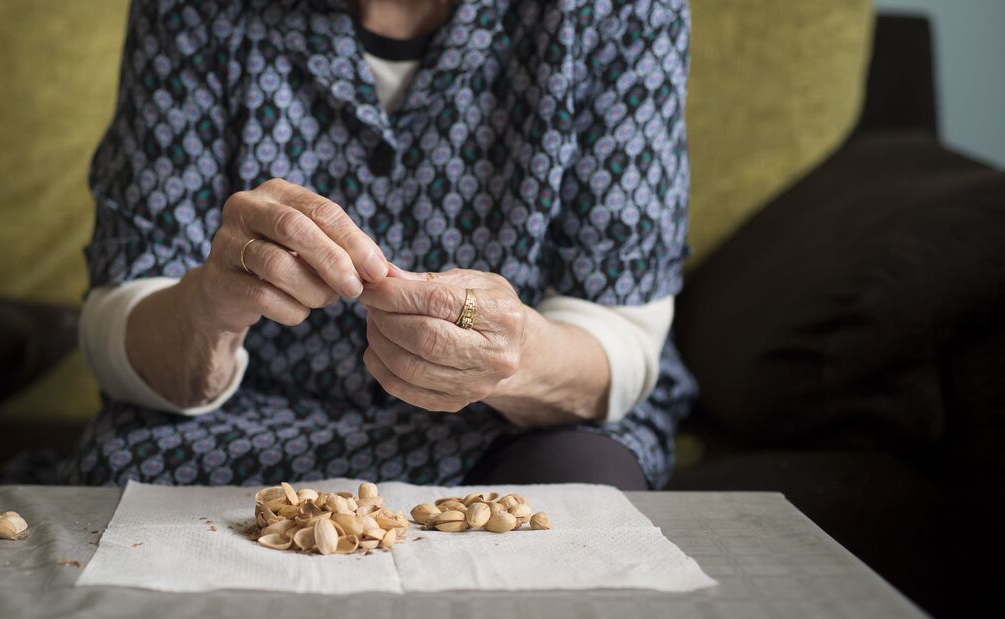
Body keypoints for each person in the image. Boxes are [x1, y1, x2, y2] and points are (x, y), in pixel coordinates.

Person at [64, 0, 695, 490]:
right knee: (118, 494)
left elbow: (621, 332)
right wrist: (208, 312)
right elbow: (119, 308)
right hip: (241, 425)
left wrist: (515, 351)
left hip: (511, 430)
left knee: (581, 499)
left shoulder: (618, 13)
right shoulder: (194, 11)